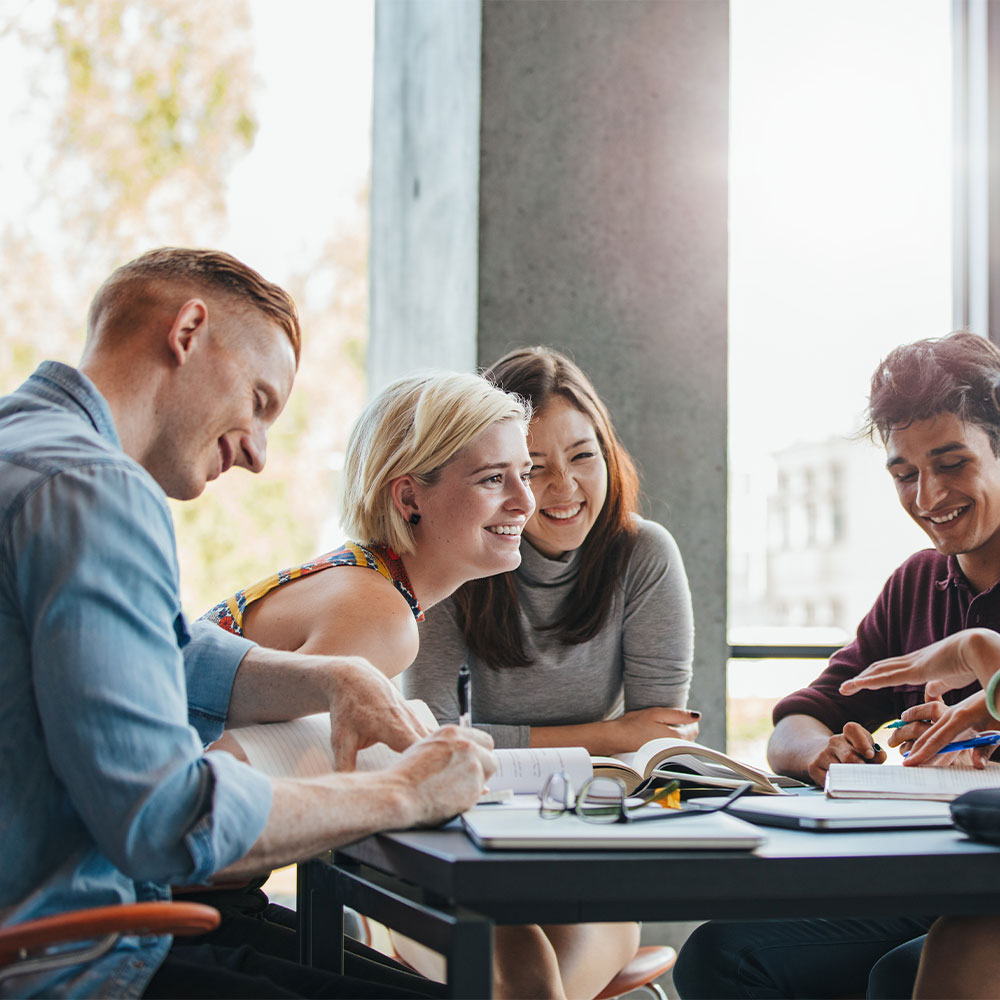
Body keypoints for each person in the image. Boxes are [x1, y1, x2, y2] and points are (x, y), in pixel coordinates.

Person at [0, 248, 496, 1000]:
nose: (260, 455)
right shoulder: (96, 489)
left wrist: (331, 675)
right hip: (75, 959)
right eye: (260, 401)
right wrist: (406, 792)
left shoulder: (28, 456)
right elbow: (168, 820)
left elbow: (155, 644)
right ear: (189, 330)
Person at [202, 367, 637, 999]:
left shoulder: (364, 581)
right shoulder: (379, 616)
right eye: (495, 479)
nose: (526, 500)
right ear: (409, 499)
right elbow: (242, 779)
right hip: (167, 912)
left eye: (525, 472)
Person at [675, 331, 1000, 999]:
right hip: (936, 882)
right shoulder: (918, 582)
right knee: (720, 957)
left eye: (952, 464)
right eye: (905, 474)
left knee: (899, 974)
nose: (928, 497)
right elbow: (799, 717)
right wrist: (823, 755)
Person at [400, 346, 696, 993]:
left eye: (583, 456)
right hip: (466, 855)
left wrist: (620, 742)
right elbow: (430, 746)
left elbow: (656, 752)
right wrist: (610, 734)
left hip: (591, 857)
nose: (563, 489)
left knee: (535, 987)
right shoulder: (454, 562)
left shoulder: (644, 555)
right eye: (532, 469)